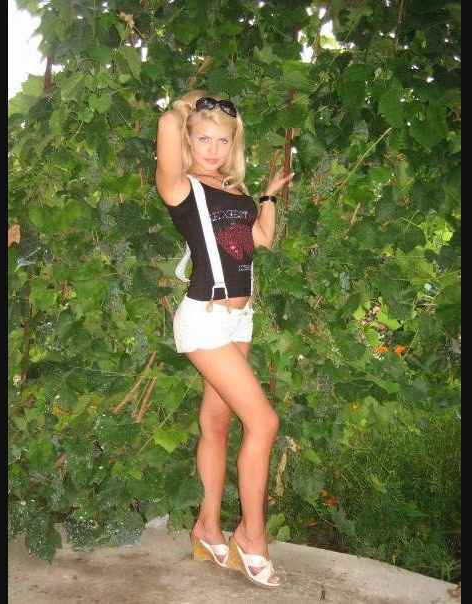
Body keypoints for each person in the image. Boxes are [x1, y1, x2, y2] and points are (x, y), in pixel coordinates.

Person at [154, 90, 294, 588]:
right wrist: (188, 105)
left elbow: (259, 241)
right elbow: (168, 124)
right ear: (189, 139)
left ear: (234, 144)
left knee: (216, 423)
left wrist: (268, 197)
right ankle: (251, 537)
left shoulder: (233, 191)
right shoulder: (180, 187)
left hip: (240, 321)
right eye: (204, 138)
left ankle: (207, 527)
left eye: (223, 140)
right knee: (264, 422)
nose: (213, 149)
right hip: (205, 319)